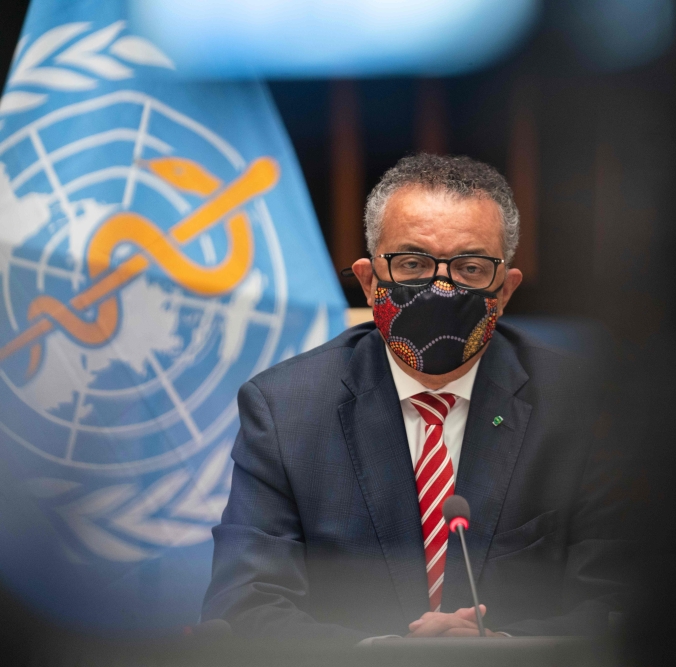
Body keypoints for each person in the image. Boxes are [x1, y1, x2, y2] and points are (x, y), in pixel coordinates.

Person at [202, 154, 627, 641]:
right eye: (412, 264)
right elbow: (244, 604)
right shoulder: (285, 410)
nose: (441, 288)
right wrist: (386, 657)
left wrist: (501, 651)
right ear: (367, 280)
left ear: (505, 291)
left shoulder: (587, 406)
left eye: (469, 268)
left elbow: (622, 604)